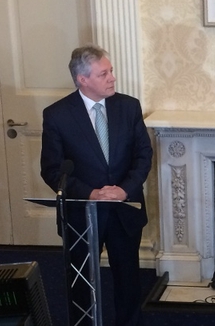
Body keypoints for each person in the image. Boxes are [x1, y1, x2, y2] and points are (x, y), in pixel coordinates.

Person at [40, 44, 152, 326]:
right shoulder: (57, 115)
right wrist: (91, 193)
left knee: (128, 280)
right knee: (80, 281)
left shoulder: (129, 107)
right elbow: (52, 170)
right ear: (83, 80)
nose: (112, 77)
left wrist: (124, 189)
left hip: (124, 209)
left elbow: (143, 156)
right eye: (104, 74)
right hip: (83, 215)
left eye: (111, 71)